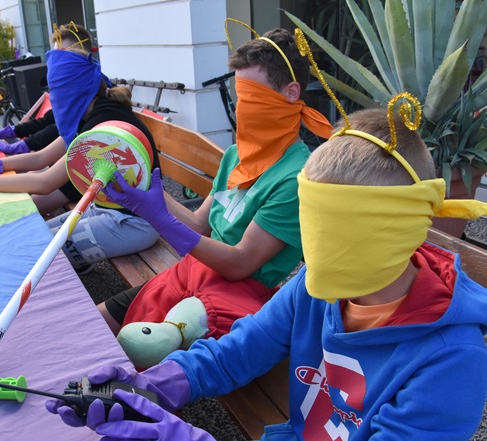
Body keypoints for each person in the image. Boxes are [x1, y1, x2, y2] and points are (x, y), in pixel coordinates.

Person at [46, 99, 487, 440]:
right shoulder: (316, 288)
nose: (319, 253)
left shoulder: (450, 360)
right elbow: (237, 350)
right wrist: (146, 388)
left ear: (400, 230)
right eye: (315, 228)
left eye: (342, 234)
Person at [96, 28, 333, 352]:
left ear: (291, 93)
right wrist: (149, 192)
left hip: (231, 299)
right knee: (95, 325)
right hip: (192, 274)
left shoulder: (295, 178)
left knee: (137, 349)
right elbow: (198, 225)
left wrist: (160, 218)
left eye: (251, 98)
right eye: (239, 98)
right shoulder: (237, 155)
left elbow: (240, 264)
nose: (240, 109)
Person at [0, 46, 161, 274]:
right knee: (34, 235)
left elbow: (45, 182)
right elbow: (41, 158)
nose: (52, 98)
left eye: (55, 90)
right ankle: (80, 258)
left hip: (133, 223)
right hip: (107, 208)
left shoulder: (102, 124)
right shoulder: (89, 112)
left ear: (72, 90)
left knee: (31, 251)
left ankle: (73, 265)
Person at [0, 22, 95, 158]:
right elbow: (47, 122)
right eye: (53, 57)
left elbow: (48, 148)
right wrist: (8, 132)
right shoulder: (78, 95)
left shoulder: (95, 106)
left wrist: (17, 147)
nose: (55, 66)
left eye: (61, 57)